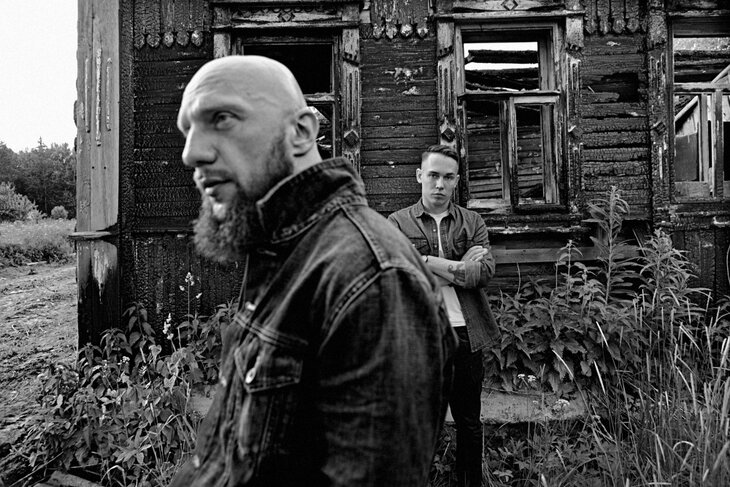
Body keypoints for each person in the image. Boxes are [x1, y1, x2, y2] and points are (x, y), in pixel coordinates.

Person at [170, 55, 456, 487]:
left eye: (221, 119)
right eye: (187, 130)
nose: (192, 153)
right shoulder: (282, 249)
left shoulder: (371, 278)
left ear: (302, 132)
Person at [388, 144, 499, 487]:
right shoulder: (397, 222)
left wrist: (425, 262)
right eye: (433, 175)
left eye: (448, 177)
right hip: (420, 335)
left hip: (466, 333)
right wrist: (458, 265)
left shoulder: (473, 221)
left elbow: (482, 274)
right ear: (419, 176)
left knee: (469, 422)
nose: (440, 184)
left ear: (456, 181)